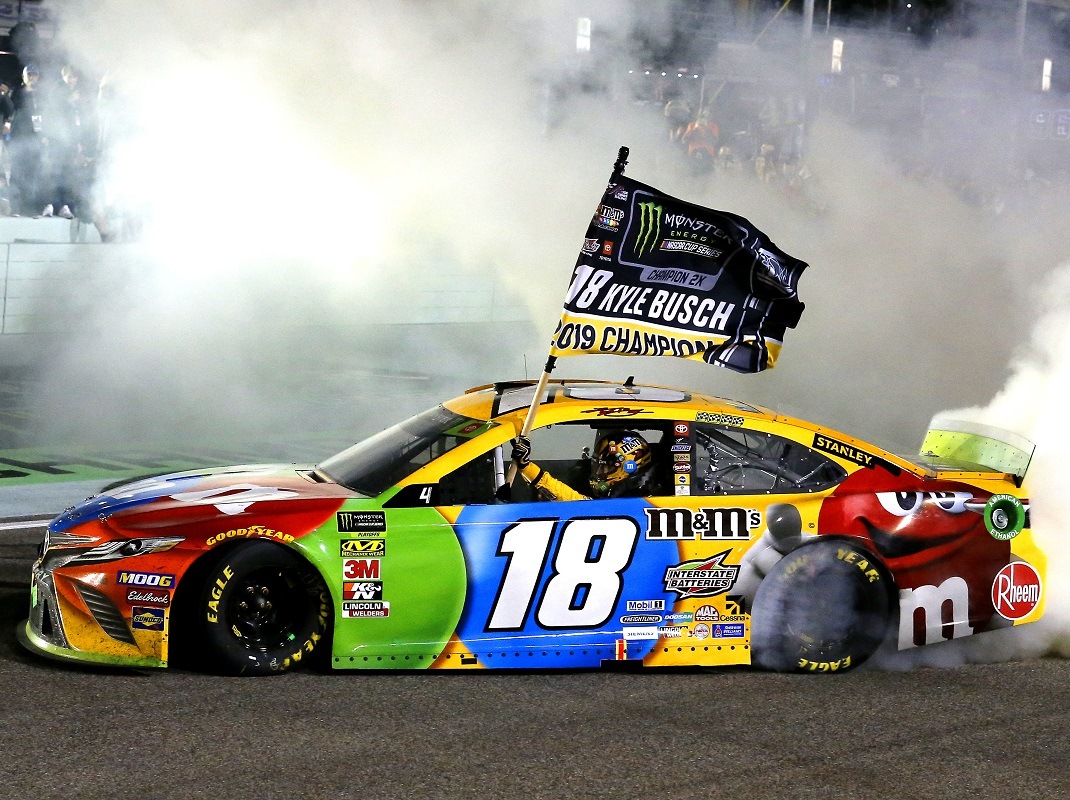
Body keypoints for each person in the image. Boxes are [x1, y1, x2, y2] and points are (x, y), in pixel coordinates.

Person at [509, 430, 661, 501]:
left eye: (607, 467)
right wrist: (525, 466)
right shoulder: (607, 504)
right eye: (597, 465)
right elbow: (566, 496)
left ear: (630, 469)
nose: (599, 472)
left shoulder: (654, 505)